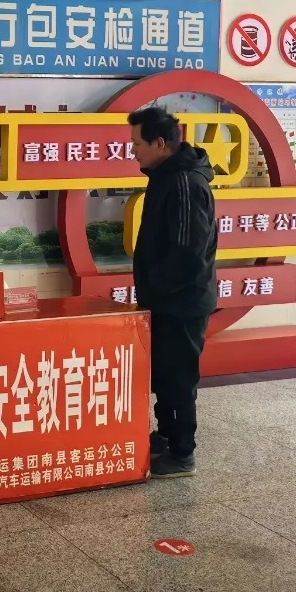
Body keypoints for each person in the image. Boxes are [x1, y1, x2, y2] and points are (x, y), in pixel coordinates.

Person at [128, 106, 218, 478]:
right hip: (166, 300)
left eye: (137, 144)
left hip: (181, 302)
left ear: (160, 143)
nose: (133, 151)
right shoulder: (166, 175)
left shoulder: (184, 183)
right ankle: (166, 435)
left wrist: (156, 289)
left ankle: (182, 453)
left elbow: (186, 251)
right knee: (165, 375)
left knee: (178, 378)